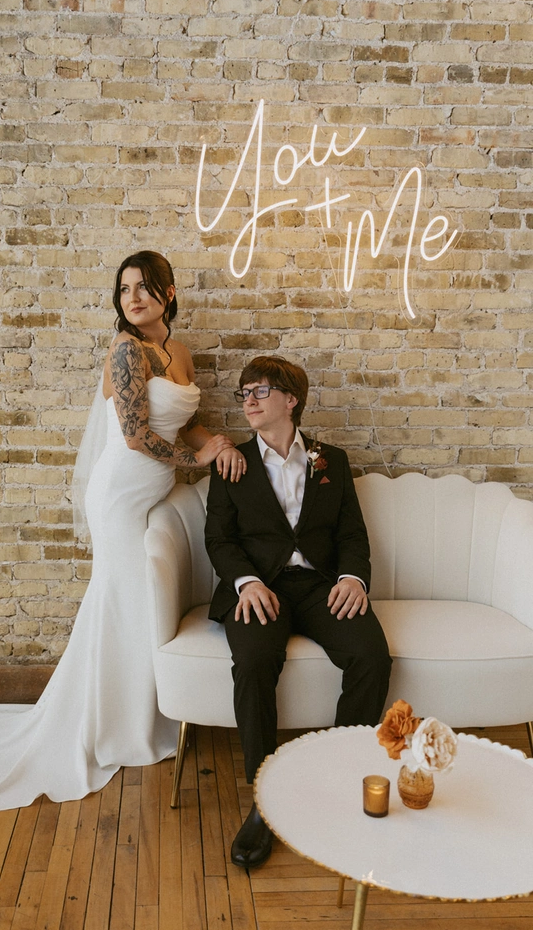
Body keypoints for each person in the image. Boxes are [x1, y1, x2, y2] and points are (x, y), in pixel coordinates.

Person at [0, 250, 245, 812]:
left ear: (169, 293)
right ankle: (106, 726)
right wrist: (195, 462)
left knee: (135, 604)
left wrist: (215, 442)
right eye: (125, 288)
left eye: (145, 287)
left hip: (149, 493)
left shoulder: (178, 351)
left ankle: (136, 713)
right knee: (121, 601)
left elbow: (185, 420)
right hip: (120, 494)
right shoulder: (127, 351)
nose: (134, 297)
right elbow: (134, 435)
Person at [205, 355, 392, 870]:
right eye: (243, 391)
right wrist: (245, 584)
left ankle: (333, 773)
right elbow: (218, 541)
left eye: (259, 390)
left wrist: (354, 578)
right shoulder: (231, 463)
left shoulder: (332, 460)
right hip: (259, 588)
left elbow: (352, 534)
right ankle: (266, 799)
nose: (247, 399)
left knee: (371, 657)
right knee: (256, 660)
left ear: (291, 400)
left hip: (320, 585)